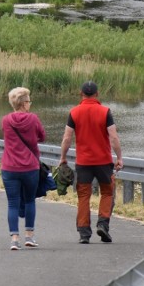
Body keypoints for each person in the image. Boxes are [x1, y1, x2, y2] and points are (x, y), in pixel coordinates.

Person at [59, 81, 123, 245]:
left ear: (81, 93)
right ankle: (102, 224)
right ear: (97, 94)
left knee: (83, 197)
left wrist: (63, 158)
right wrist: (119, 157)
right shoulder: (105, 112)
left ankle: (84, 234)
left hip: (83, 163)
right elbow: (114, 137)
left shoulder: (74, 112)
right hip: (103, 161)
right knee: (107, 193)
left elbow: (67, 138)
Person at [2, 87, 45, 250]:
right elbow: (42, 136)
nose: (30, 104)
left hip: (9, 166)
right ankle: (29, 236)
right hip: (29, 167)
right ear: (24, 103)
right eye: (29, 101)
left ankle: (14, 239)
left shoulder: (6, 120)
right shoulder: (33, 119)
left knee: (12, 203)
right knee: (29, 200)